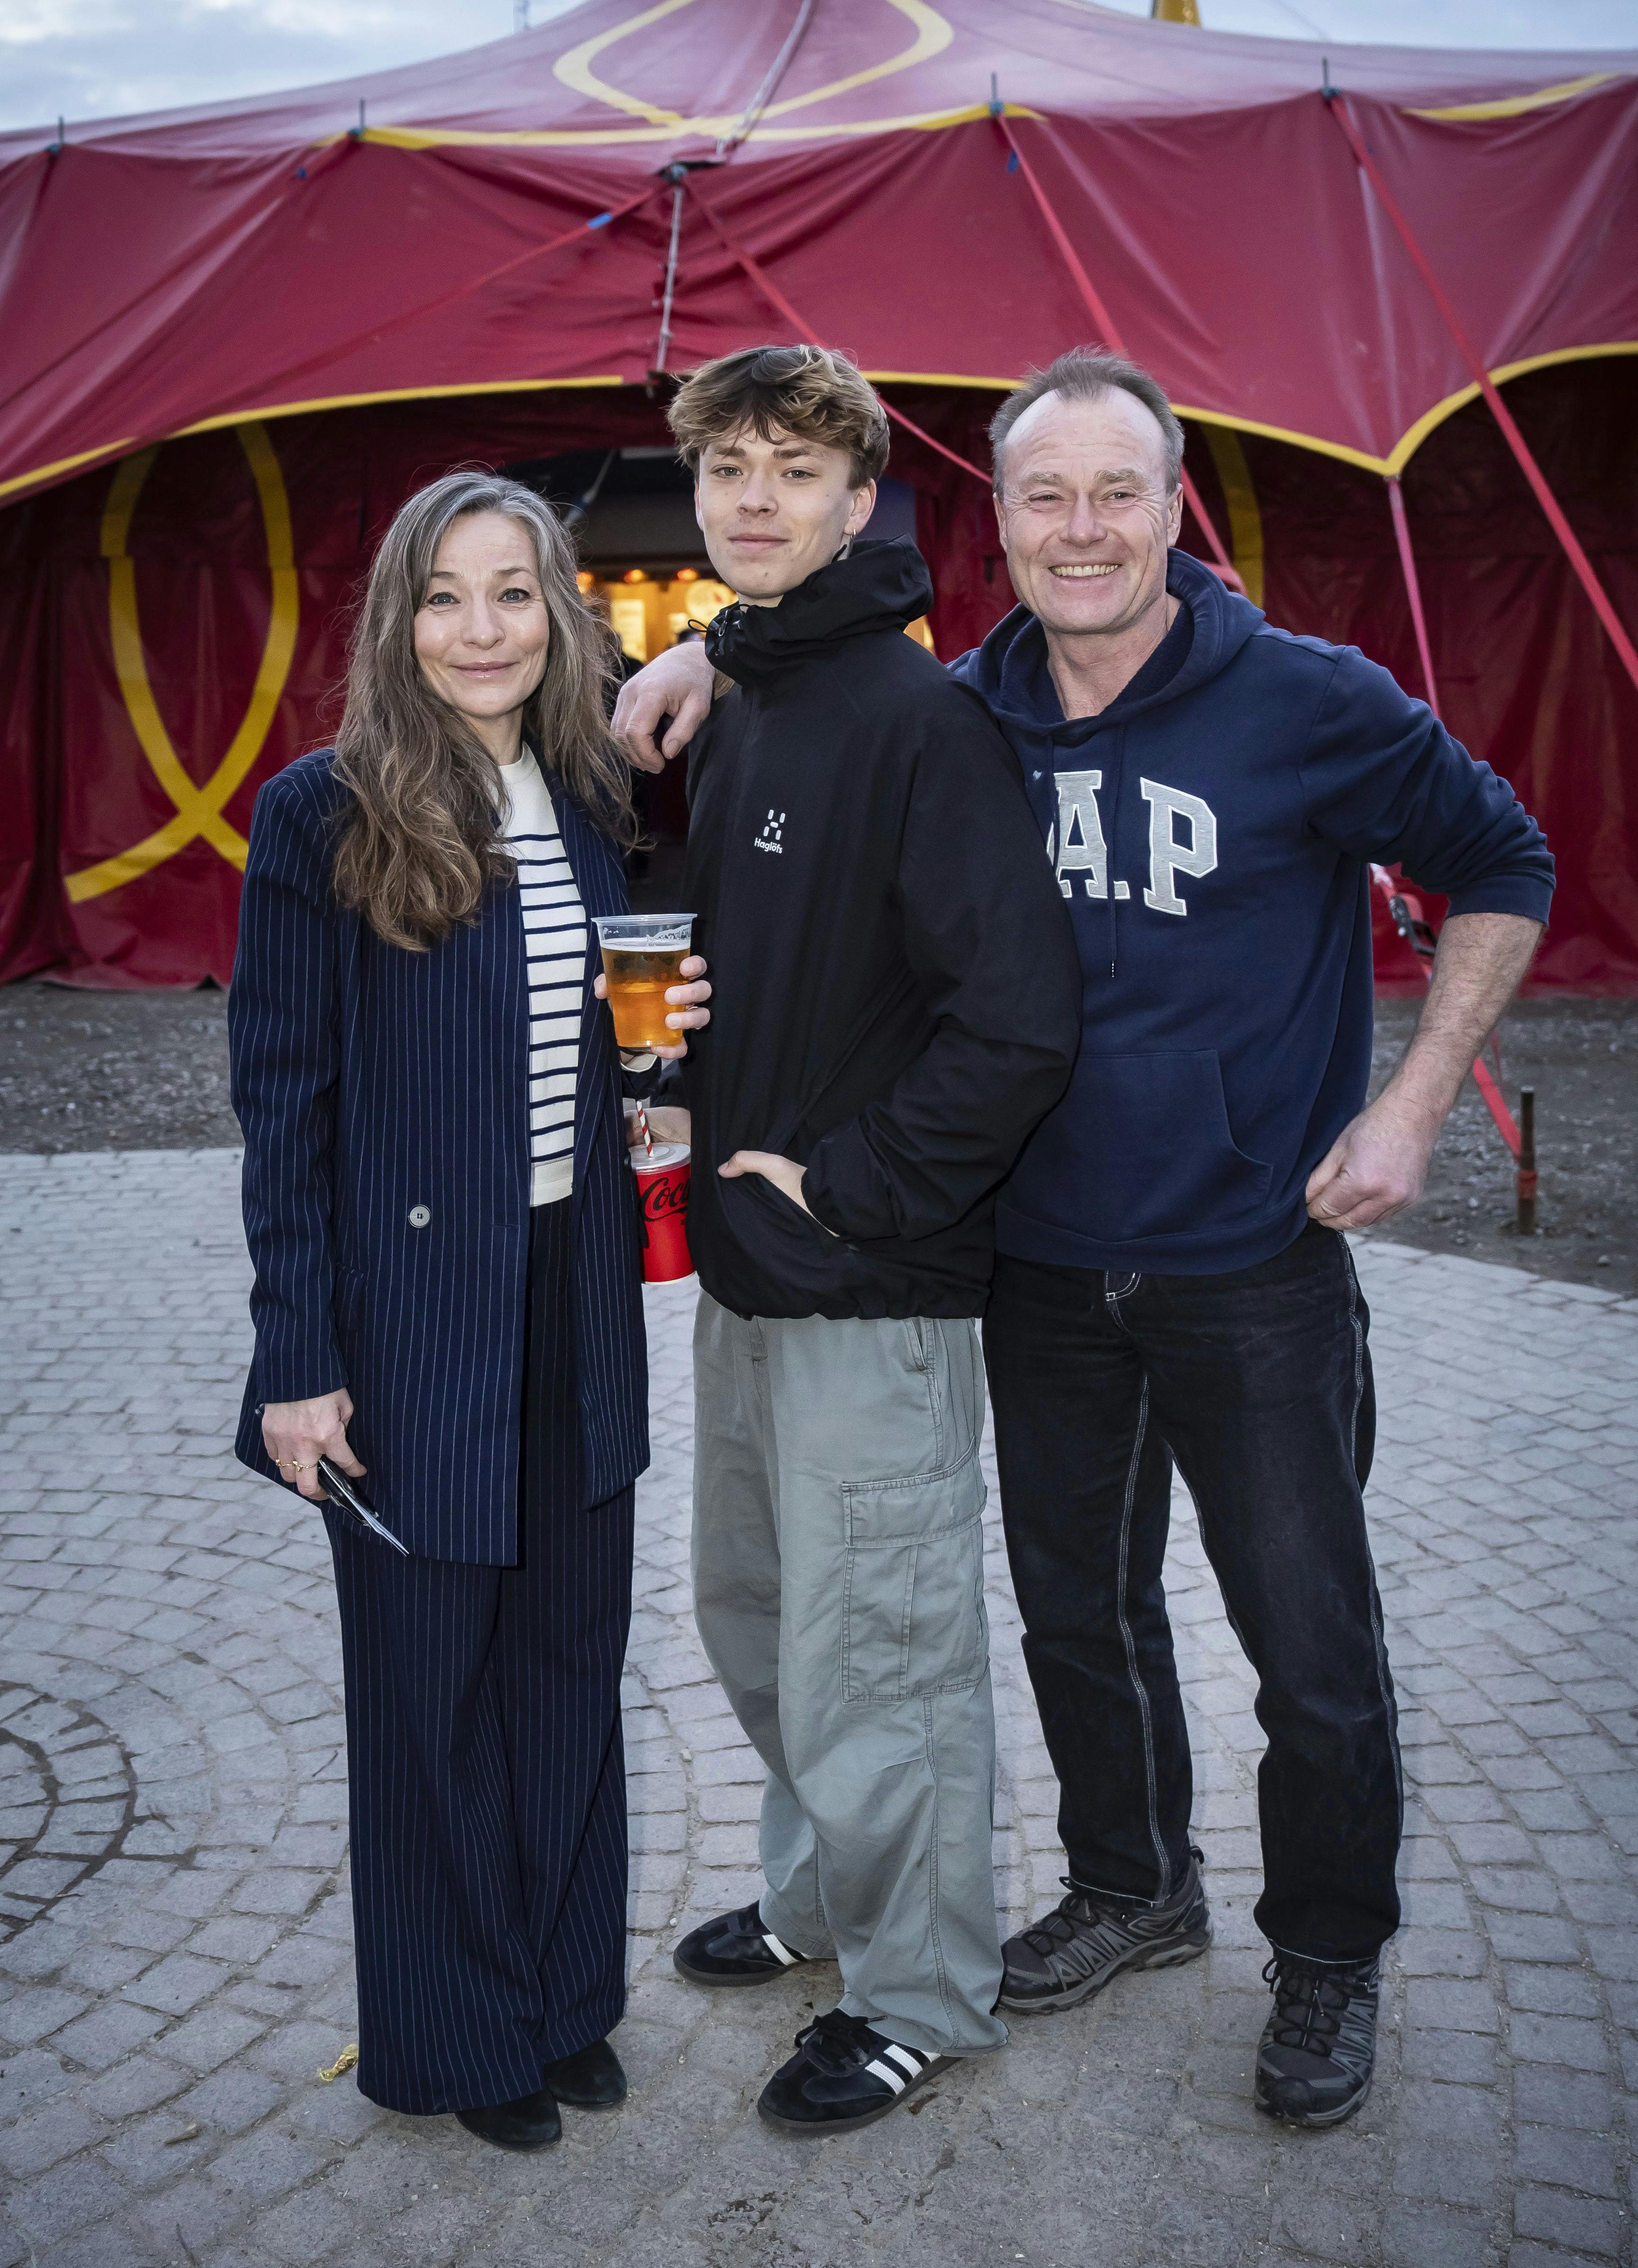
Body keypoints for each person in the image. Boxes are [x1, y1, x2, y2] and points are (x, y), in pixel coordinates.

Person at [615, 346, 1554, 2130]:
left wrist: (1416, 1099)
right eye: (1043, 495)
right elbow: (818, 651)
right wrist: (693, 651)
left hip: (1250, 1256)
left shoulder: (1302, 696)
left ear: (1173, 501)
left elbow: (1500, 861)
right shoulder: (981, 702)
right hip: (1038, 1257)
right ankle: (1135, 1886)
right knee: (1079, 1618)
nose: (1080, 528)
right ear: (999, 516)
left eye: (1116, 490)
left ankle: (1329, 1953)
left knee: (1310, 1641)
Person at [229, 470, 711, 2152]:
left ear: (562, 612)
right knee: (431, 1692)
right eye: (448, 594)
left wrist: (660, 1067)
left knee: (571, 1663)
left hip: (575, 1292)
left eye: (518, 593)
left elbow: (595, 1048)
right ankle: (455, 2033)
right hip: (411, 1315)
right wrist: (299, 1360)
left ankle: (563, 1996)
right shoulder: (319, 812)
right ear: (397, 618)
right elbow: (283, 1104)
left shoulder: (593, 793)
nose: (484, 629)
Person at [649, 344, 1080, 2135]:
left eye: (792, 469)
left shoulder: (918, 723)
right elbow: (804, 974)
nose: (755, 497)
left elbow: (1020, 1021)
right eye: (726, 468)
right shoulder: (746, 692)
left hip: (873, 1289)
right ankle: (827, 1895)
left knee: (879, 1652)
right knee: (757, 1620)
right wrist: (689, 1079)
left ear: (855, 498)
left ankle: (919, 1989)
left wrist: (860, 1183)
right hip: (755, 1278)